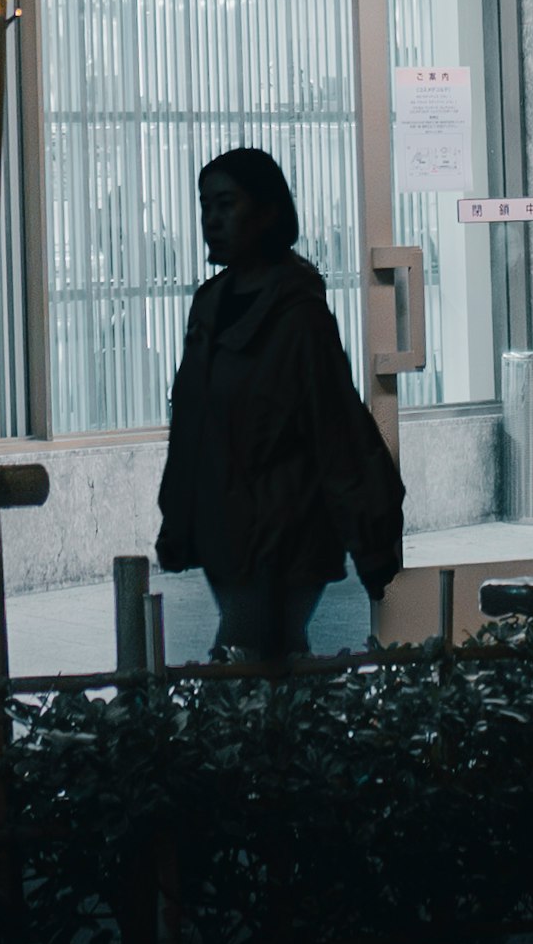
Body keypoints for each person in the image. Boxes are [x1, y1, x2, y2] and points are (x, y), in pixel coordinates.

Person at [155, 146, 404, 668]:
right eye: (206, 206)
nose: (213, 220)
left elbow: (336, 427)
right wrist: (180, 519)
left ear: (268, 211)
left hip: (282, 529)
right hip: (225, 525)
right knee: (274, 662)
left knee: (244, 659)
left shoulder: (298, 314)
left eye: (226, 204)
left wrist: (373, 544)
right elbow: (194, 423)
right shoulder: (211, 304)